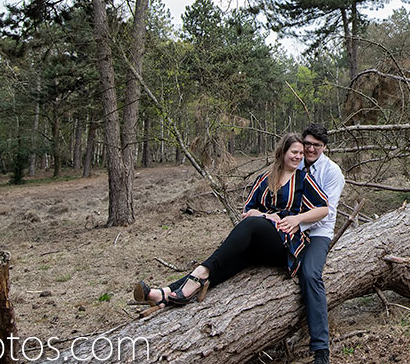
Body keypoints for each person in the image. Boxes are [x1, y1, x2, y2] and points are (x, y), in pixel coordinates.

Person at [132, 133, 328, 310]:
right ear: (283, 152)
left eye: (301, 153)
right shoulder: (265, 179)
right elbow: (248, 210)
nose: (299, 157)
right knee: (226, 260)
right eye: (294, 152)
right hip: (259, 240)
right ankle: (164, 293)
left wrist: (297, 218)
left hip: (283, 244)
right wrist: (266, 216)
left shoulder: (303, 179)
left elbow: (323, 208)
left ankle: (198, 273)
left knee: (251, 225)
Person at [298, 122, 345, 364]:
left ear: (324, 147)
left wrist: (296, 224)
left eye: (316, 145)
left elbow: (325, 212)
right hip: (291, 229)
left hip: (317, 233)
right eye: (307, 144)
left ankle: (320, 352)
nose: (311, 149)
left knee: (310, 274)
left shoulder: (331, 172)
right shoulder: (294, 163)